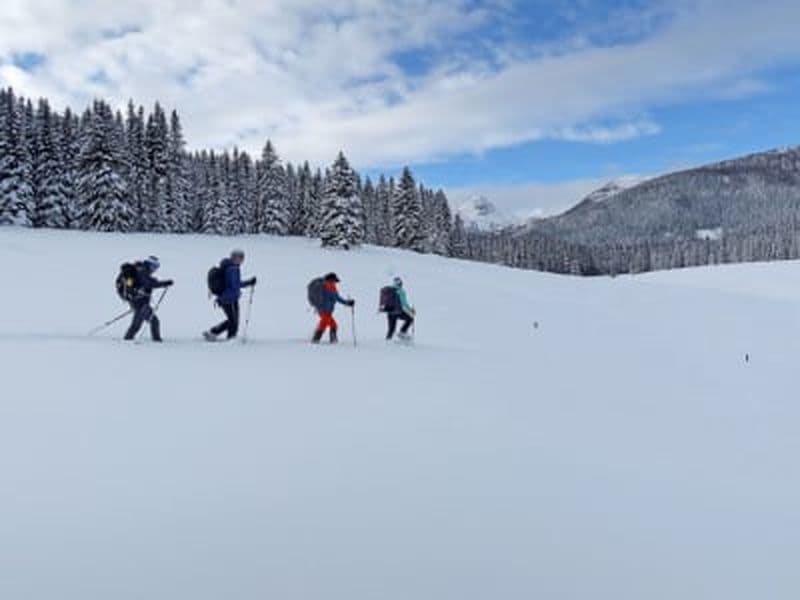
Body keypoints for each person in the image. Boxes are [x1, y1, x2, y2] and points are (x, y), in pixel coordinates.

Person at [204, 250, 257, 341]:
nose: (242, 260)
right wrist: (248, 283)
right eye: (241, 258)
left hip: (229, 298)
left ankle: (219, 333)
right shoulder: (232, 269)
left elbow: (235, 284)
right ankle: (228, 337)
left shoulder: (231, 267)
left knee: (233, 321)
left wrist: (248, 283)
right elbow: (235, 285)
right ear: (234, 258)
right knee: (233, 321)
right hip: (229, 299)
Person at [124, 256, 173, 342]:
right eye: (155, 267)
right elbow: (149, 284)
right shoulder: (143, 272)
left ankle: (128, 338)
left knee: (137, 322)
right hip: (140, 301)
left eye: (157, 267)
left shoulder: (141, 270)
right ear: (150, 265)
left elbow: (147, 283)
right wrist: (164, 283)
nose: (155, 269)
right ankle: (156, 340)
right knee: (154, 321)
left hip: (137, 300)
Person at [312, 272, 354, 344]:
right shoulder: (324, 287)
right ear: (330, 280)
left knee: (326, 324)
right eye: (334, 281)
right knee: (332, 324)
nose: (335, 282)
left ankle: (317, 339)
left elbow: (337, 298)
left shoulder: (333, 288)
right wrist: (320, 307)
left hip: (328, 311)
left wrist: (348, 303)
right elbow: (321, 299)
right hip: (324, 311)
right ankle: (326, 340)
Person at [382, 276, 415, 341]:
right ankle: (402, 332)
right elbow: (404, 304)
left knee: (391, 329)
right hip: (398, 312)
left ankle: (387, 342)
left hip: (390, 311)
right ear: (401, 284)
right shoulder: (401, 291)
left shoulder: (389, 290)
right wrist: (410, 311)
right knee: (410, 319)